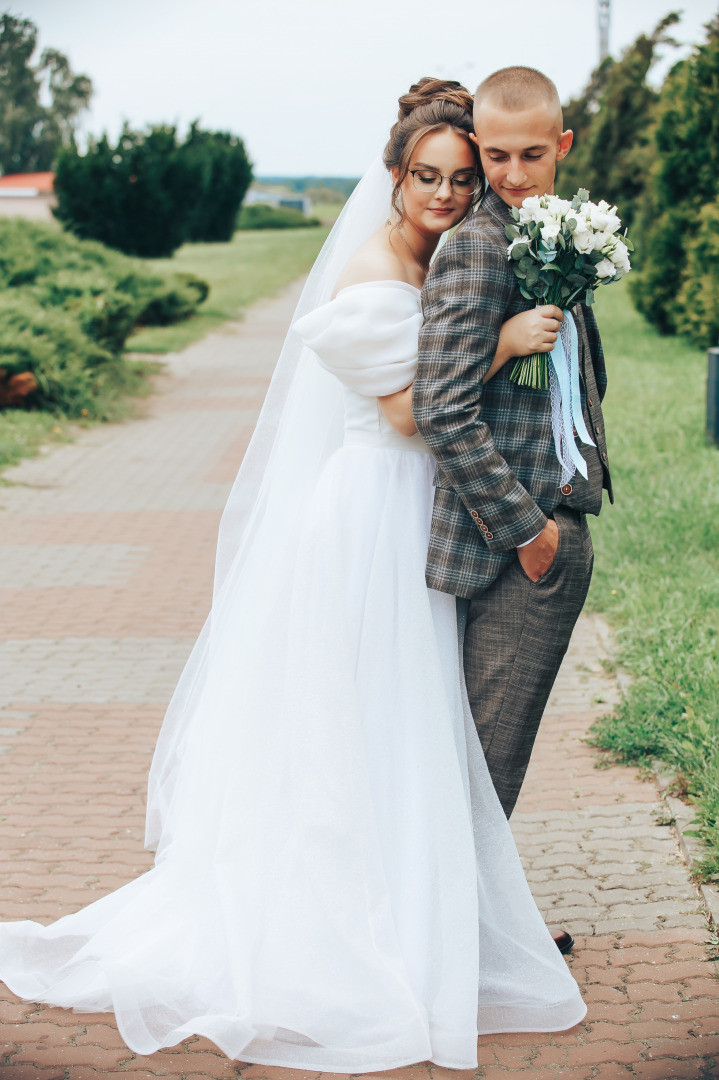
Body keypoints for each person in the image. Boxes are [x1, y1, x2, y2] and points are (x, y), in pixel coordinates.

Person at [0, 79, 586, 1072]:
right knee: (358, 724)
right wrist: (498, 345)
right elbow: (407, 416)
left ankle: (429, 913)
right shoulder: (368, 276)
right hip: (370, 516)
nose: (444, 195)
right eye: (425, 177)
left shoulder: (441, 253)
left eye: (457, 177)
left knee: (408, 730)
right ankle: (352, 932)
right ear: (393, 177)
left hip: (417, 514)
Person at [414, 69, 612, 834]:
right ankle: (467, 946)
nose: (513, 175)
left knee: (498, 757)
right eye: (495, 157)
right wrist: (531, 533)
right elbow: (441, 407)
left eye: (532, 154)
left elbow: (581, 376)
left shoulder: (557, 235)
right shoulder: (474, 247)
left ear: (562, 145)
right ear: (476, 146)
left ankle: (485, 928)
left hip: (557, 513)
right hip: (512, 542)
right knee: (486, 762)